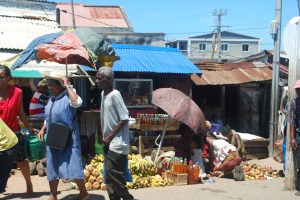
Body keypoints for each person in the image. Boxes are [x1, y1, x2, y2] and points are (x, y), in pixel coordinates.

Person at [37, 77, 89, 200]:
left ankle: (83, 193)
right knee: (52, 165)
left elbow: (77, 102)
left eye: (52, 85)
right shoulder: (51, 99)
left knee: (74, 164)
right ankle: (53, 195)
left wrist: (67, 85)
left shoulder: (69, 96)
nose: (49, 88)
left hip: (68, 138)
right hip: (54, 137)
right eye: (48, 85)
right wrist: (43, 128)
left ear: (60, 86)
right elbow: (49, 117)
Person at [95, 66, 134, 200]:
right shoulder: (102, 94)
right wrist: (102, 134)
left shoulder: (115, 95)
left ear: (109, 79)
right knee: (109, 176)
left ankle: (128, 197)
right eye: (96, 78)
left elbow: (124, 117)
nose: (97, 81)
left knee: (113, 172)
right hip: (108, 142)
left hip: (118, 142)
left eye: (100, 79)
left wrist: (110, 135)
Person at [0, 65, 39, 195]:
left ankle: (28, 183)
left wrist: (29, 128)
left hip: (14, 134)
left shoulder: (17, 92)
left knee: (21, 160)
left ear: (9, 78)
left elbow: (21, 112)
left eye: (1, 77)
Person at [289, 80, 300, 196]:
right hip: (299, 135)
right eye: (297, 89)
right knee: (299, 162)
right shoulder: (295, 102)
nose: (298, 91)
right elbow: (292, 120)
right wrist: (292, 138)